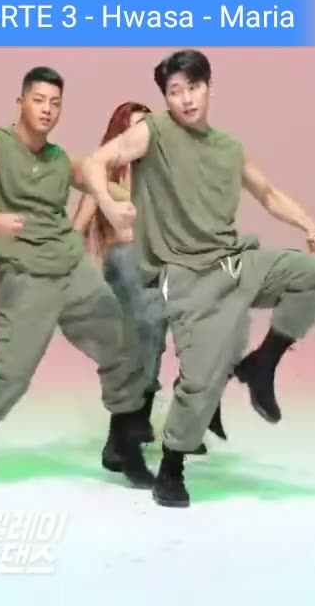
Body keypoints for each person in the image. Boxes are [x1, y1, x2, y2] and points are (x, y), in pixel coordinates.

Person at [81, 49, 315, 508]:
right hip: (187, 275)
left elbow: (268, 193)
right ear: (165, 98)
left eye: (193, 87)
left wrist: (308, 225)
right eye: (175, 91)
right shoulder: (154, 132)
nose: (186, 99)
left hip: (236, 262)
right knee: (201, 380)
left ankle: (262, 363)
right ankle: (171, 467)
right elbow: (96, 162)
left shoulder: (229, 147)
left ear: (208, 87)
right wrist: (109, 203)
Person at [0, 66, 155, 491]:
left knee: (122, 346)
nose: (46, 109)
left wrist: (137, 200)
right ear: (20, 103)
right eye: (38, 100)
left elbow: (101, 183)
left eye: (55, 103)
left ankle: (126, 446)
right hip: (25, 273)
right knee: (13, 371)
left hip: (71, 266)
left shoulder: (60, 159)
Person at [73, 102, 226, 471]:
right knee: (148, 330)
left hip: (160, 262)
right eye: (133, 128)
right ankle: (123, 435)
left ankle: (182, 419)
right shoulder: (106, 176)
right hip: (125, 260)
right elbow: (78, 229)